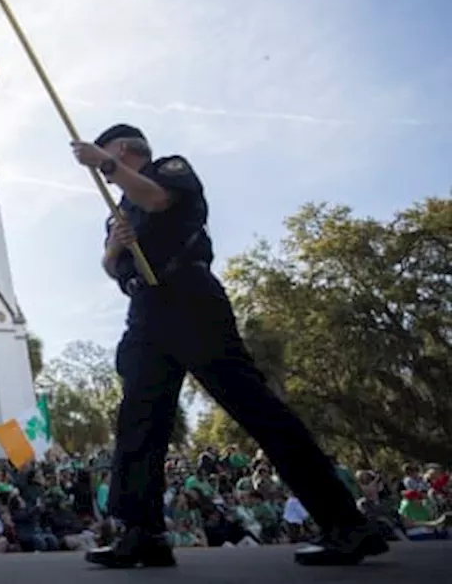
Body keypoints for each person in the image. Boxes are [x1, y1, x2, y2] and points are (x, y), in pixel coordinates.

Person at [71, 124, 388, 568]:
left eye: (109, 156)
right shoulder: (118, 208)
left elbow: (158, 200)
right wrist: (111, 249)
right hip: (145, 309)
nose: (102, 171)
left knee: (254, 406)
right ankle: (142, 532)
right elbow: (114, 267)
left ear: (122, 149)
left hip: (188, 297)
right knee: (139, 421)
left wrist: (104, 163)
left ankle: (346, 523)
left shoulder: (168, 171)